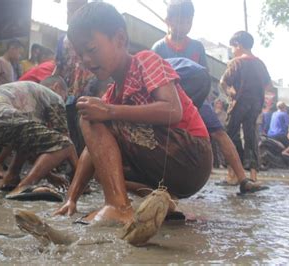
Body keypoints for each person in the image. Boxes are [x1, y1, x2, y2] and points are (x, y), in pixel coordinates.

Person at [54, 2, 212, 225]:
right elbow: (93, 149)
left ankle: (118, 206)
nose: (86, 61)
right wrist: (71, 198)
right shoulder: (111, 94)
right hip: (169, 168)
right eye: (81, 55)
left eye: (91, 50)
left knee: (92, 113)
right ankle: (161, 200)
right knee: (104, 170)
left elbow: (172, 110)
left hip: (191, 154)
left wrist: (108, 111)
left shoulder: (145, 61)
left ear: (120, 39)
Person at [152, 0, 257, 190]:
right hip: (170, 101)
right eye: (179, 21)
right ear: (168, 21)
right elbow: (152, 80)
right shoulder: (158, 48)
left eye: (188, 21)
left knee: (219, 133)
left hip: (197, 101)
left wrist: (199, 102)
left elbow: (204, 77)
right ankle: (162, 184)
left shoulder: (197, 47)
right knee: (164, 138)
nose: (184, 25)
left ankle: (243, 179)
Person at [0, 77, 78, 198]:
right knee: (65, 144)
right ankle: (24, 187)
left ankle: (11, 178)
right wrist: (80, 179)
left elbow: (30, 147)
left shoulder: (30, 93)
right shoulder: (53, 96)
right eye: (65, 96)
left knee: (26, 141)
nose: (64, 101)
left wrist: (50, 176)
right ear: (56, 87)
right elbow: (65, 140)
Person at [220, 31, 273, 182]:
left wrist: (230, 91)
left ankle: (232, 174)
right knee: (251, 136)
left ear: (238, 45)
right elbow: (268, 86)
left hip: (239, 103)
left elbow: (223, 82)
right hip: (255, 105)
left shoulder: (236, 62)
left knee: (230, 134)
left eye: (232, 47)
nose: (232, 50)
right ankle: (253, 175)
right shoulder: (259, 63)